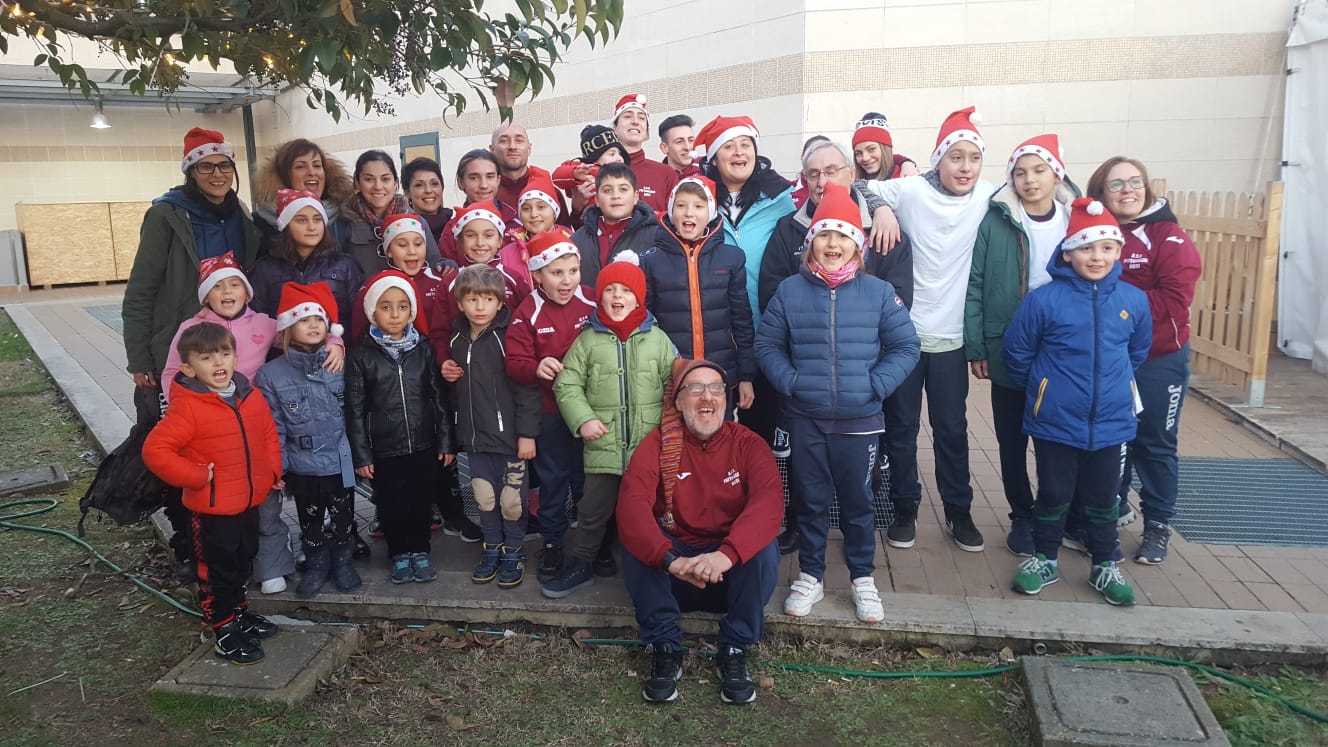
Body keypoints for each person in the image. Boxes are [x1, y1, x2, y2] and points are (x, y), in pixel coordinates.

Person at [756, 182, 920, 623]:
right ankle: (810, 575)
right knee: (810, 500)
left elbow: (906, 346)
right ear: (810, 242)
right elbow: (767, 345)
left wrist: (876, 384)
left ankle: (862, 578)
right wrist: (790, 382)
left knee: (858, 502)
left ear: (857, 244)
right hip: (805, 418)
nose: (833, 244)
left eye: (842, 235)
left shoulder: (878, 293)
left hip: (860, 420)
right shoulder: (790, 291)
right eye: (824, 235)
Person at [159, 252, 345, 594]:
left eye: (235, 284)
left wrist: (335, 340)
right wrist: (185, 406)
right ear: (205, 296)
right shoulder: (191, 329)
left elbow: (302, 328)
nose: (227, 292)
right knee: (225, 501)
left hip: (256, 422)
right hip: (212, 427)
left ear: (247, 291)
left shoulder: (263, 324)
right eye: (218, 287)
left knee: (265, 501)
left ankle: (272, 566)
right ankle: (232, 569)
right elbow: (172, 371)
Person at [859, 106, 998, 553]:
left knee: (951, 430)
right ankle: (905, 508)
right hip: (905, 338)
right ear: (939, 160)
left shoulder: (987, 196)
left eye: (973, 158)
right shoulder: (913, 189)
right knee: (901, 429)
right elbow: (859, 184)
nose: (965, 167)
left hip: (951, 340)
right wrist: (882, 208)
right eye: (955, 157)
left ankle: (959, 512)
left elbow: (1047, 189)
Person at [1003, 197, 1153, 606]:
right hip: (1055, 420)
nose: (1096, 256)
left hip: (1112, 422)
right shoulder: (1043, 300)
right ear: (1067, 253)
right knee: (1053, 493)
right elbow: (1018, 353)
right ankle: (1044, 558)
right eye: (1086, 247)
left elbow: (1137, 351)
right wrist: (1045, 390)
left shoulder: (1133, 301)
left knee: (1104, 498)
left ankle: (1105, 564)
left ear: (1118, 251)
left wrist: (1115, 388)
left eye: (1106, 247)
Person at [616, 359, 783, 705]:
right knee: (634, 541)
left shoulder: (749, 444)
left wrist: (726, 555)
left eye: (716, 388)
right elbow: (631, 505)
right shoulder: (658, 444)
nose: (707, 397)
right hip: (675, 577)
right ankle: (665, 646)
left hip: (729, 577)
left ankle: (734, 648)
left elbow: (769, 504)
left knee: (763, 547)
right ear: (678, 401)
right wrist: (669, 560)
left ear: (725, 398)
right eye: (695, 389)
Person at [1081, 157, 1202, 566]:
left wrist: (1111, 302)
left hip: (1158, 358)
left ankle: (1158, 526)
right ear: (1101, 193)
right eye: (1116, 184)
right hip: (1109, 358)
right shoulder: (1097, 232)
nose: (1127, 190)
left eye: (1135, 182)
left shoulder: (1167, 237)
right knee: (1113, 439)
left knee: (1154, 442)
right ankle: (1111, 512)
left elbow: (1173, 301)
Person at [964, 134, 1080, 557]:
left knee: (1057, 441)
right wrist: (977, 346)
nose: (1029, 180)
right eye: (1020, 172)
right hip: (1010, 344)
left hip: (1062, 350)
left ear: (1057, 175)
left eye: (1039, 170)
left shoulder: (1073, 220)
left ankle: (1058, 514)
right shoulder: (997, 221)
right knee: (1011, 440)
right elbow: (976, 284)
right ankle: (1022, 516)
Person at [142, 322, 283, 664]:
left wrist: (272, 472)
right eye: (206, 358)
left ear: (235, 357)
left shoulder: (250, 396)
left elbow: (267, 434)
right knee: (217, 569)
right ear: (189, 368)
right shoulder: (188, 406)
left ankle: (239, 612)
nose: (218, 362)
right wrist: (194, 476)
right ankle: (223, 626)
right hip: (212, 509)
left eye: (225, 354)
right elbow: (155, 450)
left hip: (249, 500)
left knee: (243, 557)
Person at [543, 259, 677, 598]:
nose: (618, 296)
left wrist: (667, 432)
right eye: (610, 290)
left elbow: (674, 387)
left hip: (647, 446)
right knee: (592, 511)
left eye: (626, 291)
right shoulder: (587, 340)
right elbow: (567, 384)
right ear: (599, 296)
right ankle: (582, 564)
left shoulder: (658, 340)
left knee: (650, 509)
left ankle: (656, 565)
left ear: (639, 297)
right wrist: (583, 419)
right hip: (603, 444)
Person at [345, 270, 455, 584]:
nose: (395, 314)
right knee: (392, 504)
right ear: (372, 311)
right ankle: (399, 553)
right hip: (384, 447)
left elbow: (438, 399)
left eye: (403, 306)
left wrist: (445, 442)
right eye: (386, 307)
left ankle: (420, 551)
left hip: (423, 443)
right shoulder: (361, 355)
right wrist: (361, 454)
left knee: (421, 501)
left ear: (412, 311)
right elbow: (355, 408)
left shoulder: (423, 348)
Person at [255, 282, 361, 598]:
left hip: (340, 460)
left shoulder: (341, 364)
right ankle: (316, 562)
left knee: (343, 515)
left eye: (318, 319)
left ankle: (343, 561)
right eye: (304, 320)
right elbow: (274, 426)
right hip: (303, 464)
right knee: (310, 518)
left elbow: (356, 412)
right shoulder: (271, 375)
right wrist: (278, 466)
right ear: (288, 328)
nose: (313, 325)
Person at [442, 265, 541, 588]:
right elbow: (454, 387)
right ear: (460, 303)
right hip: (475, 438)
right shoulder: (456, 338)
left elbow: (526, 388)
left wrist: (527, 434)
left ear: (500, 302)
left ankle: (514, 551)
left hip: (510, 439)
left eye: (487, 299)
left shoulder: (509, 336)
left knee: (511, 501)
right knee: (484, 498)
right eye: (472, 299)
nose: (480, 307)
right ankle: (492, 547)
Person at [506, 232, 596, 582]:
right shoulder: (528, 310)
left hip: (589, 411)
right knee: (554, 481)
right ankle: (553, 542)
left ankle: (593, 543)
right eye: (557, 273)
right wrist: (535, 367)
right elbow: (514, 362)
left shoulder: (591, 300)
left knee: (587, 479)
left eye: (573, 271)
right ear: (537, 274)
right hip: (550, 413)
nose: (567, 280)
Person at [640, 175, 756, 416]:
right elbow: (646, 325)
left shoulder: (731, 258)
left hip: (720, 374)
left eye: (698, 206)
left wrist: (746, 376)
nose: (689, 213)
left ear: (711, 212)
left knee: (717, 435)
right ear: (671, 210)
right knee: (675, 437)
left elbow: (742, 321)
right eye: (681, 205)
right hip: (672, 375)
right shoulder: (651, 262)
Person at [249, 189, 364, 326]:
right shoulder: (265, 270)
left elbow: (358, 319)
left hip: (337, 339)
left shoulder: (346, 266)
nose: (311, 227)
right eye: (301, 220)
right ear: (286, 225)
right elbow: (256, 322)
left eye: (317, 219)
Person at [337, 149, 443, 277]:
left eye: (385, 179)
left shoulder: (416, 221)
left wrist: (446, 265)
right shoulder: (342, 224)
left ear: (395, 182)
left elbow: (435, 265)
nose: (378, 186)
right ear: (357, 183)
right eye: (369, 179)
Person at [251, 138, 354, 251]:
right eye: (300, 166)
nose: (312, 172)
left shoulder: (346, 219)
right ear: (284, 175)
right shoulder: (257, 225)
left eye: (317, 165)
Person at [569, 163, 660, 287]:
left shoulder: (656, 236)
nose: (615, 196)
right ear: (597, 199)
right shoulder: (577, 241)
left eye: (623, 189)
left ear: (635, 197)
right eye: (607, 190)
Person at [490, 122, 570, 229]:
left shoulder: (551, 193)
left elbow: (566, 234)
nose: (512, 146)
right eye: (504, 141)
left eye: (519, 140)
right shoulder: (486, 193)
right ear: (492, 149)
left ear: (529, 148)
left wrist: (578, 209)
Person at [496, 173, 566, 294]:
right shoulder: (505, 254)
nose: (533, 214)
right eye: (526, 209)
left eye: (541, 207)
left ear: (555, 212)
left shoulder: (573, 243)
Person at [452, 199, 531, 306]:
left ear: (499, 241)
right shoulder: (451, 282)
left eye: (488, 235)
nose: (480, 243)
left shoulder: (515, 280)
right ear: (461, 241)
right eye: (471, 236)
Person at [611, 93, 680, 212]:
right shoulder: (600, 170)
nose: (635, 122)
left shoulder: (666, 174)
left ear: (647, 132)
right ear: (614, 128)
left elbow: (676, 217)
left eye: (642, 118)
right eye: (628, 116)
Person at [552, 124, 633, 221]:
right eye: (612, 154)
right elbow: (556, 176)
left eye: (620, 153)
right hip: (593, 225)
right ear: (595, 158)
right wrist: (575, 174)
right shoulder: (586, 171)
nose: (619, 158)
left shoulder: (625, 176)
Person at [851, 112, 919, 182]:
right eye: (858, 153)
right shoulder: (851, 180)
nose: (865, 158)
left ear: (885, 149)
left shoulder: (905, 179)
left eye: (871, 149)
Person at [403, 157, 454, 243]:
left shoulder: (457, 228)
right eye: (419, 185)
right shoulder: (402, 230)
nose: (428, 190)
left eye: (434, 184)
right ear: (407, 193)